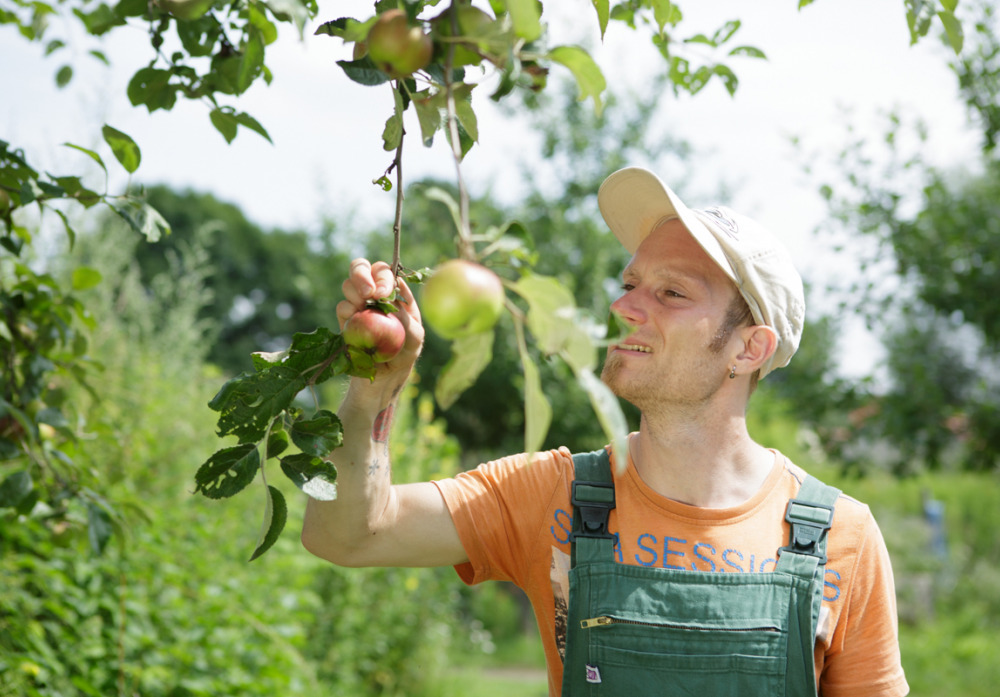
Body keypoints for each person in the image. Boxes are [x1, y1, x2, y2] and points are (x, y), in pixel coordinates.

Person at [301, 166, 908, 697]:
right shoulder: (552, 495)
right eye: (629, 284)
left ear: (750, 348)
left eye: (671, 292)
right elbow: (350, 535)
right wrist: (371, 392)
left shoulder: (837, 538)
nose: (624, 307)